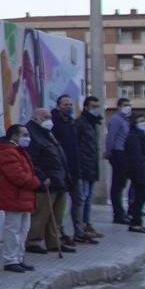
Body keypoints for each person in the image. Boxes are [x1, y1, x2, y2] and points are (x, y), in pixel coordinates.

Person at [0, 124, 41, 272]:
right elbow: (18, 176)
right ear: (14, 136)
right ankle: (10, 260)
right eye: (24, 135)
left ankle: (19, 258)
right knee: (13, 229)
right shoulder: (7, 152)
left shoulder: (18, 151)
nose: (27, 138)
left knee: (23, 229)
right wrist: (36, 182)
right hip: (14, 196)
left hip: (22, 196)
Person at [24, 109, 74, 256]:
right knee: (41, 214)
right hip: (46, 181)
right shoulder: (31, 133)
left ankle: (55, 242)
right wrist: (42, 175)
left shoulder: (47, 133)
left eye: (50, 117)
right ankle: (33, 241)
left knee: (57, 215)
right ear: (35, 118)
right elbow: (31, 159)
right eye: (45, 117)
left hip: (59, 179)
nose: (49, 120)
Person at [50, 95, 82, 244]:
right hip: (61, 170)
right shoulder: (53, 123)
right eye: (65, 105)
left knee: (78, 201)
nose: (68, 107)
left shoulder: (72, 123)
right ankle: (60, 233)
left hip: (75, 169)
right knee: (60, 205)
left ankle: (79, 231)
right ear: (58, 106)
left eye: (70, 104)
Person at [73, 97, 104, 242]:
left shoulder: (93, 123)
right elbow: (77, 147)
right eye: (93, 106)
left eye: (97, 106)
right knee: (82, 198)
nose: (96, 108)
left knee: (88, 199)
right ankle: (79, 229)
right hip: (83, 168)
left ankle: (87, 225)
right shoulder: (80, 123)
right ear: (85, 107)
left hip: (91, 167)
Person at [105, 97, 133, 224]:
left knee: (121, 185)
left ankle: (121, 213)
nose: (128, 107)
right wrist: (109, 153)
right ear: (119, 106)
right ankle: (118, 214)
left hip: (124, 153)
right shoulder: (116, 119)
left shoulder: (125, 120)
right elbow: (111, 137)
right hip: (117, 153)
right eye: (125, 105)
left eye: (129, 105)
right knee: (117, 185)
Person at [124, 113, 145, 234]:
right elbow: (136, 158)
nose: (144, 123)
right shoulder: (133, 137)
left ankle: (137, 222)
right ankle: (135, 223)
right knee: (140, 197)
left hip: (143, 171)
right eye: (141, 121)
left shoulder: (142, 135)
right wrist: (141, 173)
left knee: (142, 197)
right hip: (138, 172)